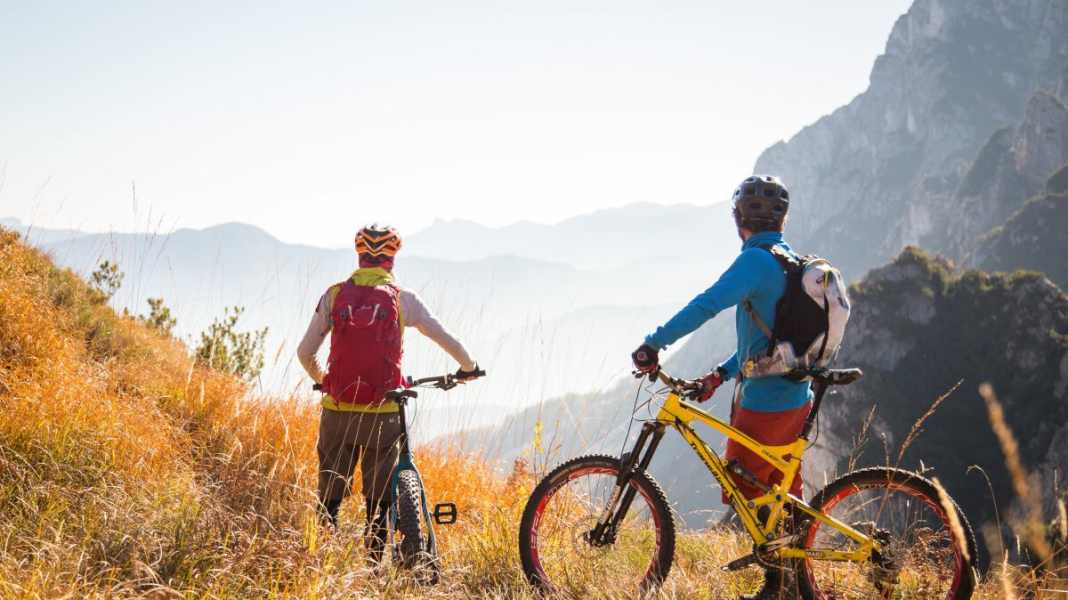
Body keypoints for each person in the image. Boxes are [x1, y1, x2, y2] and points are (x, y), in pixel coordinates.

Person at [631, 175, 809, 600]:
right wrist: (720, 374)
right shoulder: (788, 258)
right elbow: (768, 342)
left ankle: (777, 586)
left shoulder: (755, 262)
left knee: (748, 487)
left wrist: (652, 344)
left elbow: (707, 304)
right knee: (781, 494)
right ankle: (796, 581)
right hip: (795, 395)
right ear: (782, 219)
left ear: (738, 219)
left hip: (764, 401)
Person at [297, 224, 480, 559]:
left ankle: (319, 562)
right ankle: (372, 570)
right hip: (383, 414)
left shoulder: (335, 295)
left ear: (360, 256)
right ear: (392, 259)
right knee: (379, 503)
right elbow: (445, 337)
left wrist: (326, 381)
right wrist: (469, 367)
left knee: (329, 498)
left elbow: (304, 352)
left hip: (337, 411)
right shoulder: (403, 300)